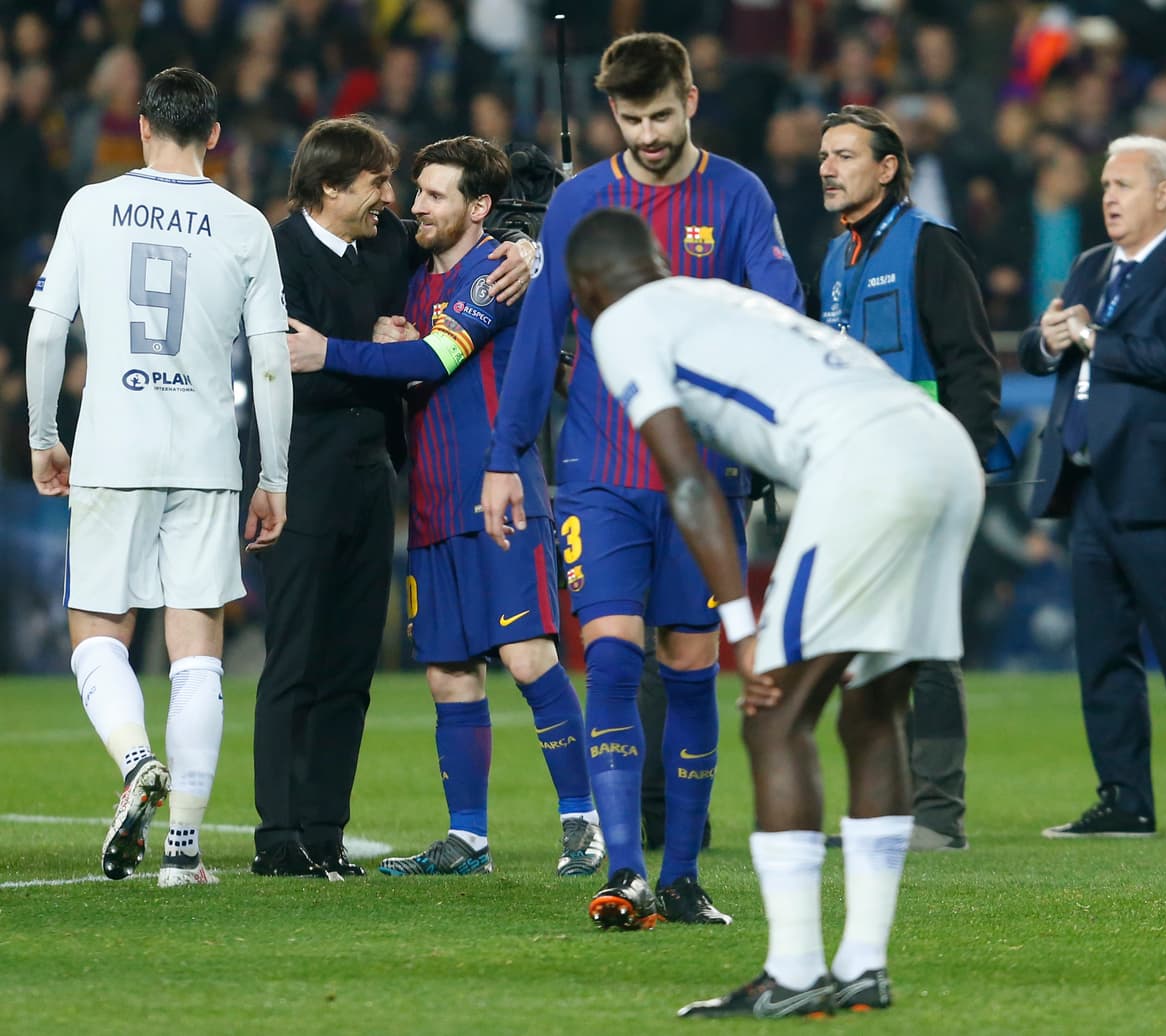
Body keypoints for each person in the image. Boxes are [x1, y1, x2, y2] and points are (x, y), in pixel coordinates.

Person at [547, 207, 982, 1016]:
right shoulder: (714, 295)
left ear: (585, 289)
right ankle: (862, 966)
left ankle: (791, 973)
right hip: (942, 451)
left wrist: (742, 630)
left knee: (774, 720)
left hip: (863, 462)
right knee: (871, 711)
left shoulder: (622, 322)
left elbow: (686, 480)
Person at [481, 31, 804, 928]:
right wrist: (506, 460)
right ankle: (626, 872)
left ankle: (687, 872)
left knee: (693, 664)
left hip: (706, 474)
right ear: (610, 114)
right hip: (601, 471)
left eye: (662, 114)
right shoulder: (581, 201)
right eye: (631, 119)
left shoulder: (738, 196)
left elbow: (784, 313)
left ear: (691, 100)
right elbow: (540, 336)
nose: (650, 133)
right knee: (613, 655)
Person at [285, 135, 604, 878]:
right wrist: (378, 334)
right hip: (429, 503)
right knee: (449, 673)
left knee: (528, 659)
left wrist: (329, 350)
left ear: (479, 207)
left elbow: (436, 357)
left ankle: (584, 822)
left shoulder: (496, 270)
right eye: (417, 191)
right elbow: (405, 345)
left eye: (433, 195)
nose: (415, 206)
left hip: (500, 499)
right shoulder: (416, 278)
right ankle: (468, 839)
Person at [25, 67, 293, 887]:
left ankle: (137, 761)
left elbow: (45, 334)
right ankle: (183, 853)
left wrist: (43, 435)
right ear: (215, 135)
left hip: (113, 447)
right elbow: (273, 361)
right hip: (208, 456)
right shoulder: (246, 224)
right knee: (197, 649)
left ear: (141, 125)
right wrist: (272, 474)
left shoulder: (90, 207)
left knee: (99, 632)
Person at [251, 116, 532, 880]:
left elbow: (463, 233)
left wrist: (524, 250)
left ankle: (324, 832)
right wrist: (374, 353)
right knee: (294, 660)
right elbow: (285, 373)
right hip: (300, 474)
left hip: (374, 478)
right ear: (331, 187)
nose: (396, 200)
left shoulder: (385, 246)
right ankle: (277, 837)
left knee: (349, 666)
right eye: (379, 183)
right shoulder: (274, 255)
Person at [1020, 135, 1166, 839]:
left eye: (1123, 185)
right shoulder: (1090, 266)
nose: (1107, 196)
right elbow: (1043, 344)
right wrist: (1048, 339)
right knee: (1104, 652)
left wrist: (1092, 338)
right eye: (1107, 185)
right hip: (1090, 482)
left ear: (1165, 193)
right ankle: (1124, 799)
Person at [817, 104, 1001, 851]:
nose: (827, 167)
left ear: (888, 168)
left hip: (921, 474)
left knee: (925, 643)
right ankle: (883, 813)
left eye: (845, 155)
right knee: (865, 648)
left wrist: (959, 469)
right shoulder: (836, 258)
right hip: (853, 479)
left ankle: (935, 815)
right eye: (823, 155)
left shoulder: (930, 247)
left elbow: (972, 369)